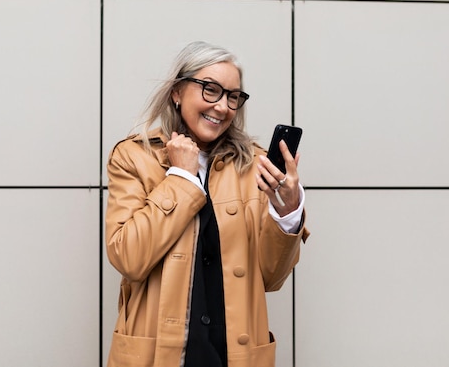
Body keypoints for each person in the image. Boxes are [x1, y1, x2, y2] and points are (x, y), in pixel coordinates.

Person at [105, 41, 309, 367]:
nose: (223, 106)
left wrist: (287, 212)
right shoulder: (134, 157)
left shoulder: (255, 164)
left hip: (233, 356)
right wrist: (181, 179)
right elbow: (128, 257)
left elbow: (271, 277)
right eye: (210, 90)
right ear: (177, 91)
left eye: (233, 96)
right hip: (158, 357)